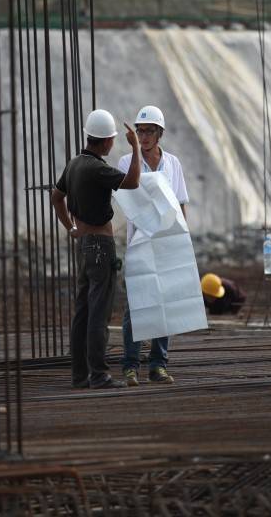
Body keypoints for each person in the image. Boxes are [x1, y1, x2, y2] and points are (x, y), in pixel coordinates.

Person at [51, 109, 141, 390]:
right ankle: (100, 374)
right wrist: (136, 147)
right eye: (113, 140)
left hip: (84, 245)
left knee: (83, 310)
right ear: (105, 142)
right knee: (98, 312)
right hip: (101, 247)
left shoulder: (75, 164)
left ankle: (80, 375)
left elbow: (56, 197)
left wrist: (71, 228)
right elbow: (133, 181)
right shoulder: (97, 168)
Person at [118, 105, 189, 387]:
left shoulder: (172, 164)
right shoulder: (126, 162)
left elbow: (181, 202)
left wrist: (182, 238)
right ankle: (130, 366)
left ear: (160, 133)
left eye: (149, 131)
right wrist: (135, 151)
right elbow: (127, 196)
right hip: (139, 242)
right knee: (136, 307)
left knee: (164, 306)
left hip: (167, 242)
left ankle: (158, 365)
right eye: (141, 131)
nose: (144, 136)